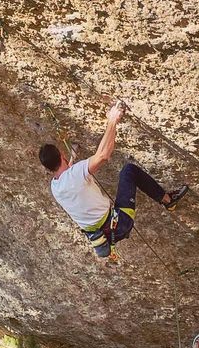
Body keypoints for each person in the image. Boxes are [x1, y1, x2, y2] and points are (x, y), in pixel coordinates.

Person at [39, 101, 189, 260]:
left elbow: (68, 174)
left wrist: (72, 157)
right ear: (61, 154)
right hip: (120, 222)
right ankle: (168, 200)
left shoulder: (55, 187)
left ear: (48, 168)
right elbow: (103, 155)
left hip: (105, 236)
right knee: (129, 171)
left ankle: (168, 202)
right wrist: (112, 120)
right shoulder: (75, 174)